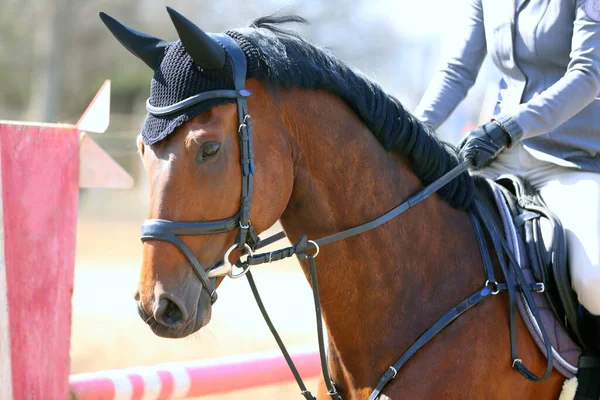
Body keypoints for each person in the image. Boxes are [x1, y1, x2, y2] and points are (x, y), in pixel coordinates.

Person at [413, 0, 600, 348]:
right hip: (498, 156)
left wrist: (509, 127)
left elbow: (588, 75)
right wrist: (410, 134)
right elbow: (457, 71)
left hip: (569, 157)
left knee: (594, 280)